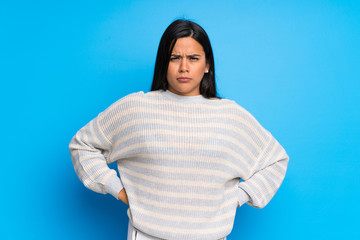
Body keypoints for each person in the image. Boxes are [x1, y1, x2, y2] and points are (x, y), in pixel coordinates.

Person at [69, 19, 289, 240]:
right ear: (164, 62)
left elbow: (275, 160)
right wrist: (117, 189)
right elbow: (83, 145)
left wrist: (238, 197)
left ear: (207, 65)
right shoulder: (137, 108)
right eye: (175, 58)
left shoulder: (230, 116)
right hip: (147, 234)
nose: (184, 67)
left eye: (193, 58)